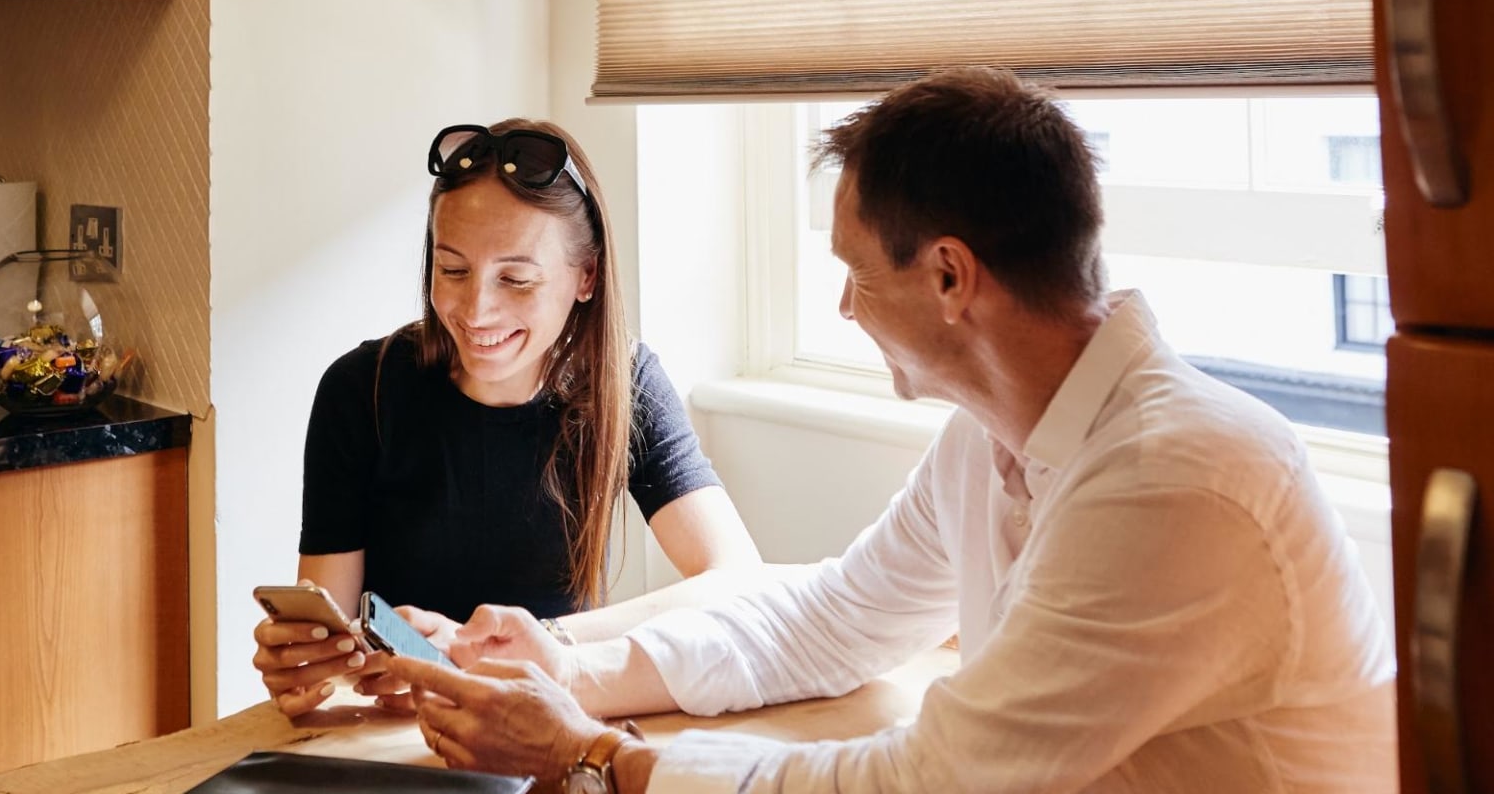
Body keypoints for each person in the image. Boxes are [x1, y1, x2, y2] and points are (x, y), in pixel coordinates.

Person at [389, 67, 1397, 792]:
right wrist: (570, 671)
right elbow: (832, 617)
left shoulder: (1177, 480)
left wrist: (596, 755)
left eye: (858, 274)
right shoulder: (993, 437)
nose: (844, 308)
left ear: (951, 277)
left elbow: (930, 779)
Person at [253, 118, 767, 718]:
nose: (476, 309)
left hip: (545, 721)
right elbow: (336, 638)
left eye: (516, 278)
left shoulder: (623, 385)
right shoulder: (359, 390)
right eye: (452, 270)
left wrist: (543, 643)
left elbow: (737, 580)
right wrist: (303, 661)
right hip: (398, 734)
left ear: (587, 277)